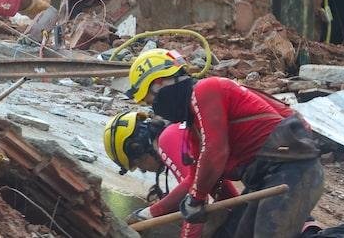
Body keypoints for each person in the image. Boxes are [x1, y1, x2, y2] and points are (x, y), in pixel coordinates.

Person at [127, 49, 325, 238]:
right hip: (264, 180)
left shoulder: (206, 90)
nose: (154, 107)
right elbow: (194, 180)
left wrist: (196, 199)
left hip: (293, 169)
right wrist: (148, 214)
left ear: (160, 84)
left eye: (150, 99)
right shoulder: (193, 130)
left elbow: (215, 152)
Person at [104, 110, 240, 238]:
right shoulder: (177, 131)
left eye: (140, 166)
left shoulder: (167, 138)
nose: (145, 170)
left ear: (138, 150)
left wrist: (147, 214)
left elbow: (194, 194)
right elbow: (226, 196)